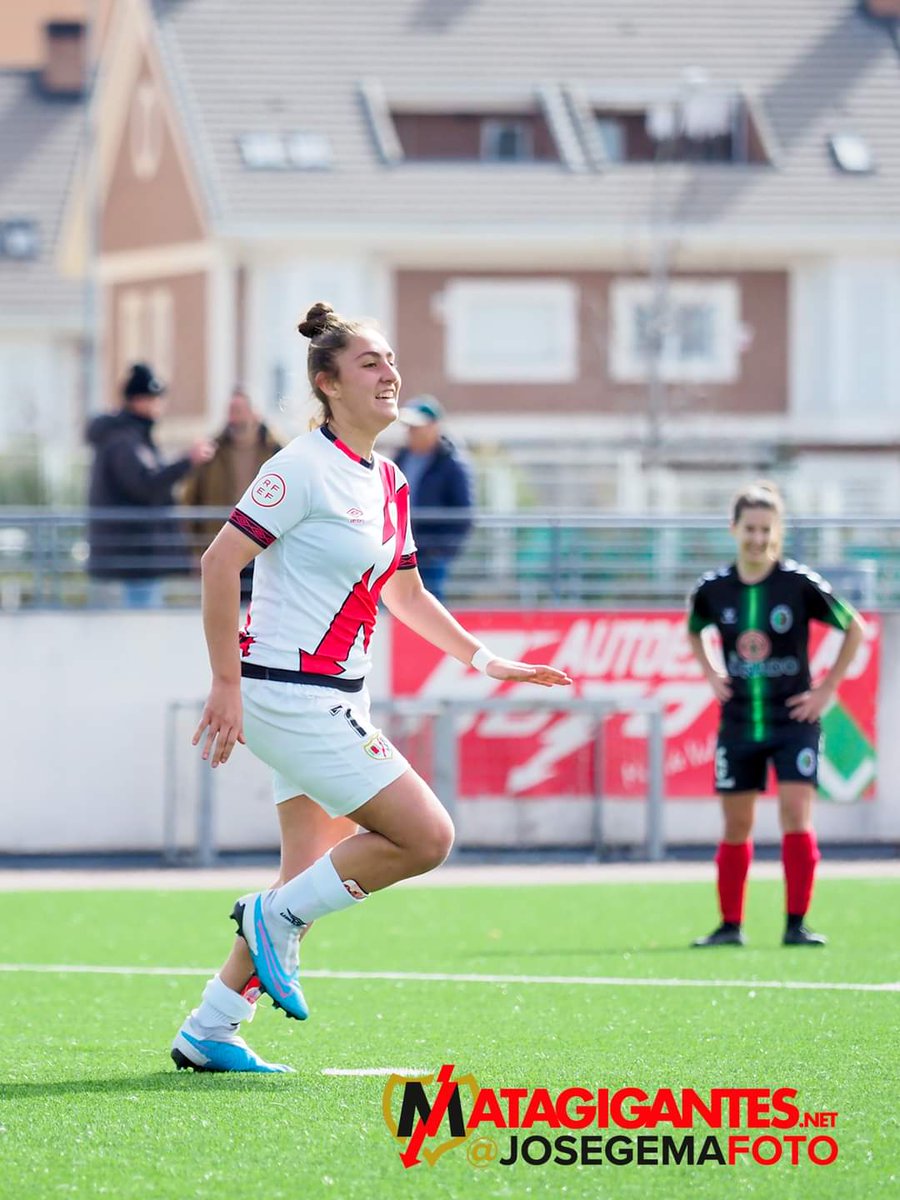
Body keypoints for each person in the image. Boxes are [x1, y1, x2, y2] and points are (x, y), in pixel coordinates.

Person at [171, 301, 572, 1073]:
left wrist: (487, 661)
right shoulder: (298, 466)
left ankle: (211, 1028)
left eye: (390, 360)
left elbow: (409, 595)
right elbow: (219, 564)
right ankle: (267, 919)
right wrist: (226, 682)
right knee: (425, 837)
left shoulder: (389, 479)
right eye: (369, 363)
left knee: (309, 882)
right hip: (288, 695)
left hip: (332, 698)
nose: (389, 374)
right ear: (327, 384)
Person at [687, 482, 866, 948]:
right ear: (734, 529)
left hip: (794, 722)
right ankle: (729, 926)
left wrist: (826, 689)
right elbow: (694, 628)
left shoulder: (798, 584)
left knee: (794, 814)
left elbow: (855, 627)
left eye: (766, 529)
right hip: (741, 722)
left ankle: (796, 924)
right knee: (736, 824)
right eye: (749, 528)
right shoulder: (714, 589)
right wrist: (710, 671)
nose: (757, 538)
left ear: (777, 532)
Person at [86, 363, 214, 608]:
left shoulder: (130, 436)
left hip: (133, 563)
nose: (159, 405)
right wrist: (187, 461)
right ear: (138, 400)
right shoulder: (123, 440)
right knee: (134, 637)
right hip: (130, 564)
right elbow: (146, 486)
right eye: (154, 398)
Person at [181, 388, 283, 599]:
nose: (234, 417)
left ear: (255, 413)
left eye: (239, 410)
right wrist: (195, 550)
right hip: (223, 544)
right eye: (231, 410)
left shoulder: (278, 451)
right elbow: (190, 500)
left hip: (267, 549)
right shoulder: (212, 451)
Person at [393, 395, 473, 603]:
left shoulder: (451, 463)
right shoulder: (401, 457)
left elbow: (464, 514)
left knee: (429, 602)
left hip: (430, 554)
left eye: (417, 426)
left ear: (434, 427)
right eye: (409, 427)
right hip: (397, 548)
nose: (411, 432)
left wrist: (441, 549)